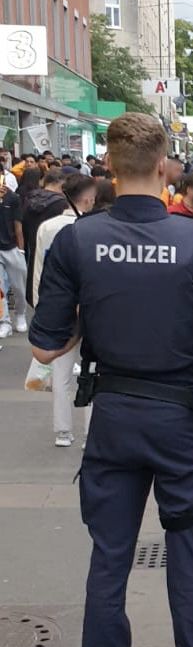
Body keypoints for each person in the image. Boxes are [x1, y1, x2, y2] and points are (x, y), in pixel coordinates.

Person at [28, 112, 193, 647]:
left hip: (115, 417)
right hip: (181, 419)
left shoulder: (78, 240)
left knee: (110, 558)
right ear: (163, 166)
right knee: (191, 559)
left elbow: (45, 346)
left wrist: (93, 316)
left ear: (109, 166)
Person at [32, 173, 98, 447]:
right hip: (89, 307)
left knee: (61, 373)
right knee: (92, 369)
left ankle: (63, 431)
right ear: (88, 198)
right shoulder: (92, 230)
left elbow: (38, 269)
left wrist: (39, 305)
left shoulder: (47, 227)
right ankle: (91, 433)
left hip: (56, 306)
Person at [22, 168, 68, 306]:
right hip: (53, 250)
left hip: (32, 245)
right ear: (60, 183)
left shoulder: (29, 198)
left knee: (34, 276)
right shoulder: (61, 204)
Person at [0, 177, 26, 339]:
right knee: (0, 288)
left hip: (11, 247)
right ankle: (4, 322)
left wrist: (21, 249)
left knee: (19, 287)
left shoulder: (13, 198)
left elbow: (18, 226)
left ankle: (20, 313)